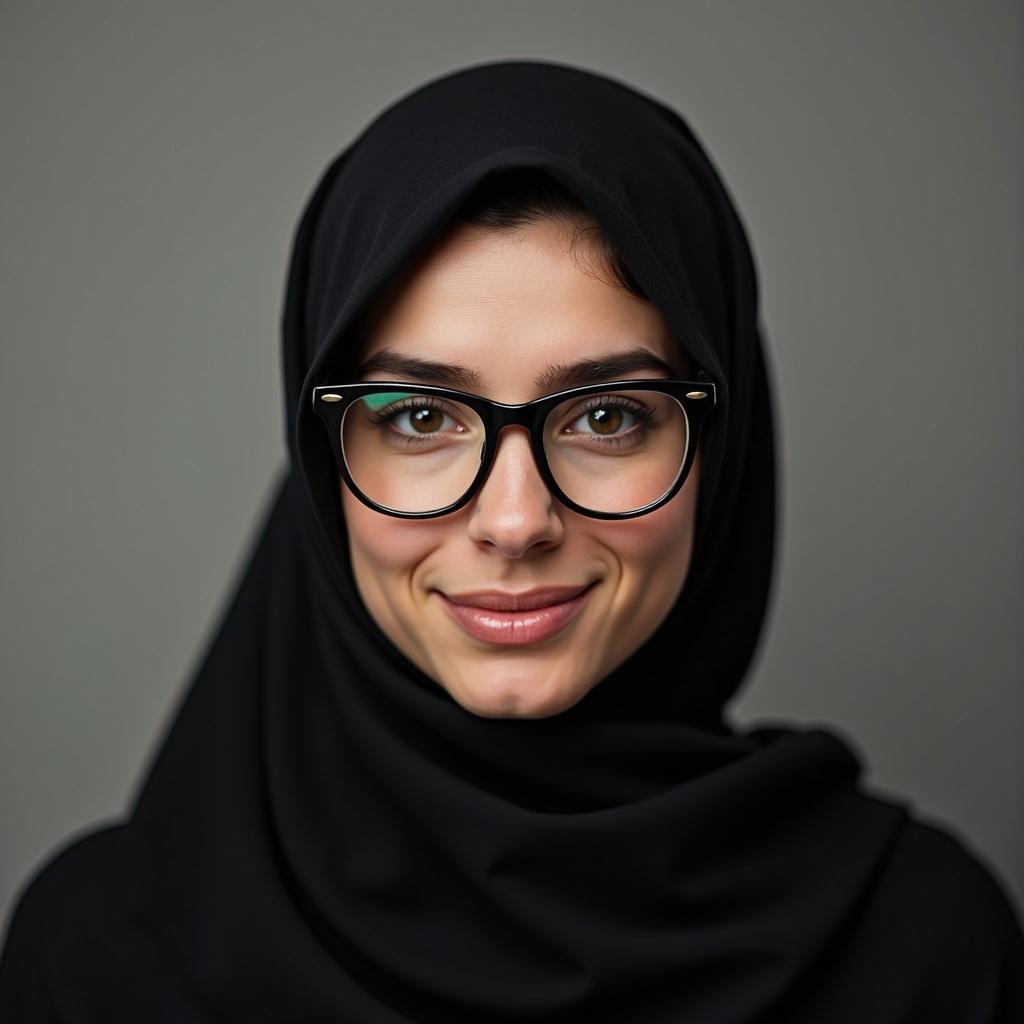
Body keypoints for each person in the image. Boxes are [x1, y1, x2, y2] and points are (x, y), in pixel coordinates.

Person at [0, 58, 1021, 1022]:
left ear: (724, 443)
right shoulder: (97, 959)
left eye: (609, 416)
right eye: (417, 417)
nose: (516, 521)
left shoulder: (922, 951)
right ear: (320, 461)